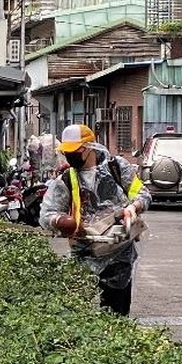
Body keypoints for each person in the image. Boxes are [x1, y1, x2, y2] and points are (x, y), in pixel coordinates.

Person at [39, 124, 152, 315]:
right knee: (74, 312)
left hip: (118, 252)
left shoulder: (117, 167)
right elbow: (47, 212)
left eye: (75, 151)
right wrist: (61, 221)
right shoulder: (67, 179)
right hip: (84, 252)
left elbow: (142, 194)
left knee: (115, 313)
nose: (69, 156)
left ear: (89, 147)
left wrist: (133, 207)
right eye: (66, 152)